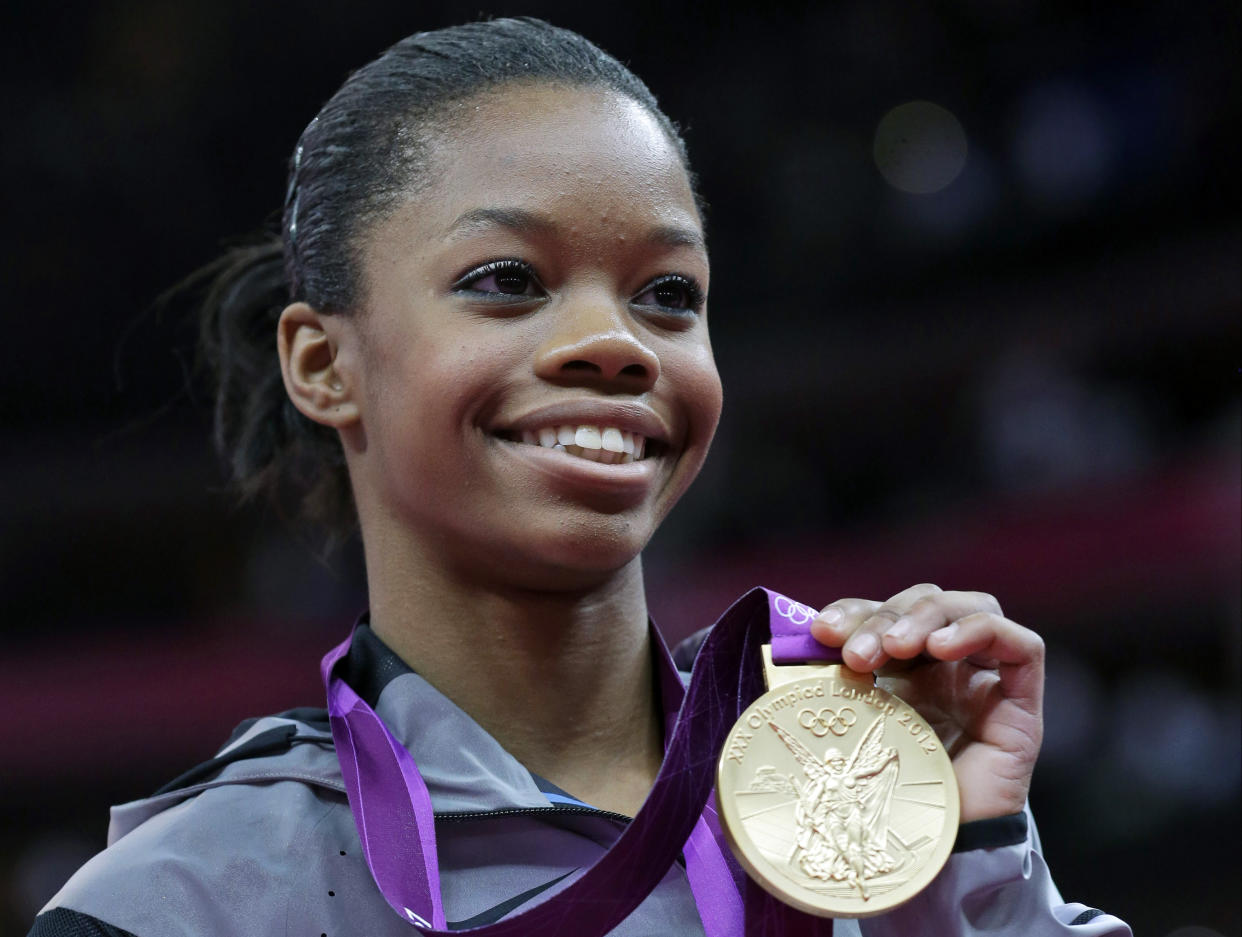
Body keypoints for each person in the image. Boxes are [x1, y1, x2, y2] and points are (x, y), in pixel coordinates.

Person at [30, 18, 1131, 937]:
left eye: (667, 294)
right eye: (507, 280)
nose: (620, 343)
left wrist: (968, 859)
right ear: (326, 363)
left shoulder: (864, 811)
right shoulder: (185, 903)